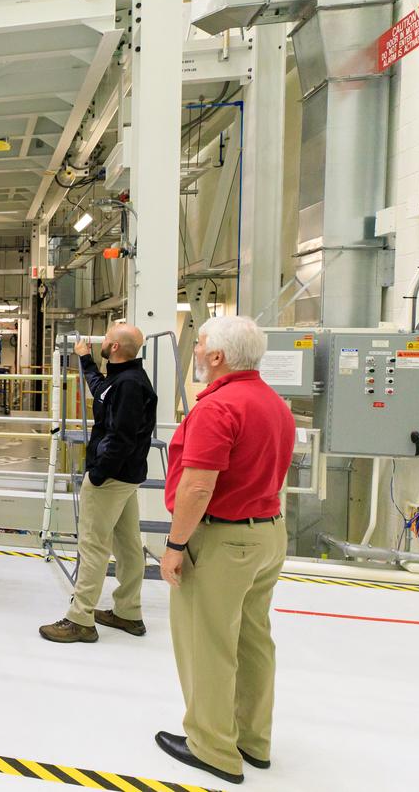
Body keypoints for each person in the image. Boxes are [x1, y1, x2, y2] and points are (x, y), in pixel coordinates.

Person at [154, 316, 294, 786]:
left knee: (207, 642)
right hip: (267, 534)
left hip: (223, 539)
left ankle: (212, 747)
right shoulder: (273, 403)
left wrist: (175, 545)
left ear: (217, 357)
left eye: (201, 345)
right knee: (253, 639)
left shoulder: (218, 407)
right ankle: (253, 740)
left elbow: (197, 487)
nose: (195, 351)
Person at [40, 324, 157, 644]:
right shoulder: (124, 379)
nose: (101, 341)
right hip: (126, 476)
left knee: (92, 546)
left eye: (106, 339)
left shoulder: (129, 385)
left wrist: (98, 474)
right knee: (130, 545)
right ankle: (128, 612)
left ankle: (80, 619)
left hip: (111, 477)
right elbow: (101, 388)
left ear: (116, 348)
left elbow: (120, 438)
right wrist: (85, 361)